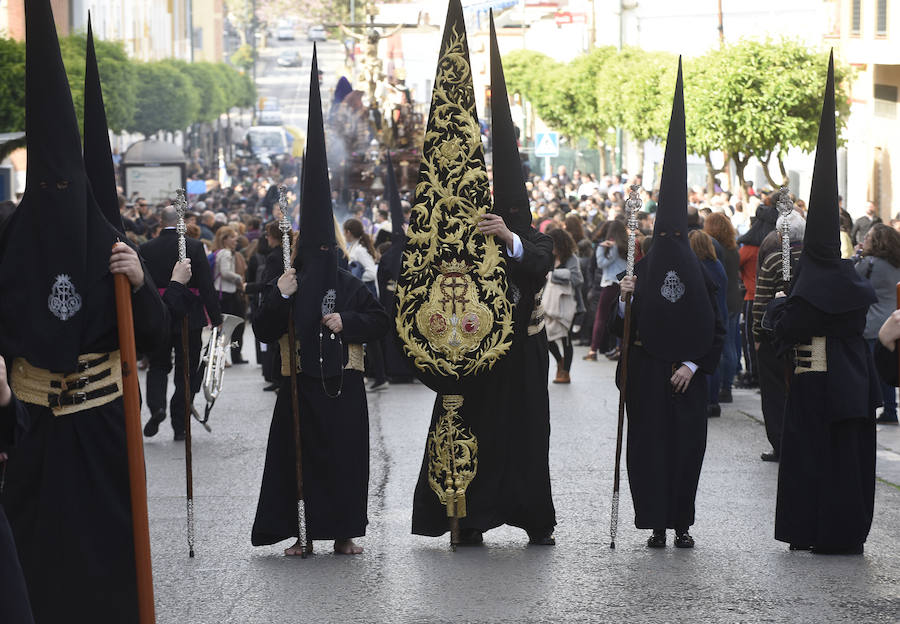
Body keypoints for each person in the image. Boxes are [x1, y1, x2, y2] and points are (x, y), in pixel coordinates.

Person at [410, 8, 556, 546]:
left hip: (523, 358)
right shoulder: (472, 243)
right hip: (479, 351)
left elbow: (537, 263)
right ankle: (466, 519)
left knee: (526, 441)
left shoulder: (534, 239)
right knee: (478, 436)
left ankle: (536, 520)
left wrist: (507, 238)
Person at [251, 48, 389, 557]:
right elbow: (264, 329)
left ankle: (345, 533)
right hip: (298, 385)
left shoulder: (350, 281)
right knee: (297, 461)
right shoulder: (287, 277)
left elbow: (379, 319)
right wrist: (280, 294)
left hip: (344, 386)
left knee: (345, 460)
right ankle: (302, 534)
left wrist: (344, 320)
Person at [762, 55, 880, 555]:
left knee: (813, 462)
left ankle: (811, 530)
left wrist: (782, 304)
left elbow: (780, 330)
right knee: (847, 465)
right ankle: (842, 532)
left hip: (814, 388)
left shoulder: (809, 289)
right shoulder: (852, 283)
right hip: (852, 385)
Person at [614, 61, 724, 549]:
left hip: (686, 379)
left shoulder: (704, 276)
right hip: (646, 373)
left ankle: (681, 522)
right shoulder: (641, 269)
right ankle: (654, 522)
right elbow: (627, 325)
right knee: (649, 450)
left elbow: (716, 329)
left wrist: (693, 364)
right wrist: (624, 301)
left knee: (686, 451)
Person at [141, 205, 223, 439]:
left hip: (159, 313)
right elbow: (207, 286)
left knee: (157, 365)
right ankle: (180, 424)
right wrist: (216, 318)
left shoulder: (146, 247)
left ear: (160, 221)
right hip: (189, 314)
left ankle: (157, 408)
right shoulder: (195, 246)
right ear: (183, 223)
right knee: (186, 370)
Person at [752, 211, 805, 461]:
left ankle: (781, 443)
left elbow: (760, 301)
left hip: (775, 337)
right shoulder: (811, 257)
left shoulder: (774, 260)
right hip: (807, 337)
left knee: (774, 394)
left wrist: (757, 335)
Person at [855, 223, 900, 424]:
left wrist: (857, 257)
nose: (865, 240)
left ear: (877, 241)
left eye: (869, 237)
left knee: (870, 370)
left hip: (873, 324)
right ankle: (890, 410)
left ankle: (870, 407)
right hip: (894, 323)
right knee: (889, 369)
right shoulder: (897, 263)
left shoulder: (869, 263)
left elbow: (852, 281)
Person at [735, 202, 777, 389]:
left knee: (750, 339)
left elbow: (736, 265)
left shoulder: (749, 249)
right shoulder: (773, 245)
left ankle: (753, 373)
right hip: (771, 296)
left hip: (752, 297)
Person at [343, 217, 387, 391]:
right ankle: (374, 374)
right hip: (362, 294)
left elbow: (371, 271)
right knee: (369, 338)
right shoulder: (356, 247)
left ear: (348, 232)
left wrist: (356, 281)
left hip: (365, 295)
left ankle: (379, 376)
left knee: (371, 338)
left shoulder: (359, 250)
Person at [688, 230, 728, 418]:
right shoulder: (717, 264)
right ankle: (714, 400)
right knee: (716, 359)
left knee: (708, 357)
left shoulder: (700, 267)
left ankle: (709, 400)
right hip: (722, 311)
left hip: (711, 314)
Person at [703, 213, 741, 402]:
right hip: (735, 298)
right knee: (731, 344)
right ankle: (727, 385)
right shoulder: (732, 248)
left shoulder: (716, 249)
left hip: (724, 300)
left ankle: (724, 387)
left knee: (724, 346)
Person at [584, 220, 627, 361]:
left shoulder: (611, 247)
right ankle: (619, 348)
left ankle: (593, 350)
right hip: (623, 285)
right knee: (621, 317)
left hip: (610, 285)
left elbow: (601, 263)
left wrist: (602, 248)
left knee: (601, 317)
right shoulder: (626, 246)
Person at [543, 228, 582, 383]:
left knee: (566, 339)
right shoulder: (550, 257)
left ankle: (565, 372)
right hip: (549, 304)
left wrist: (554, 275)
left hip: (569, 304)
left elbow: (577, 279)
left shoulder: (571, 258)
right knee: (546, 337)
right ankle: (560, 361)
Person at [212, 226, 247, 364]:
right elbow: (225, 272)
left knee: (223, 326)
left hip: (222, 293)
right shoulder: (226, 253)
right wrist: (239, 278)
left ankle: (220, 356)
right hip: (228, 293)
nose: (236, 240)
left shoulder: (218, 252)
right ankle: (229, 356)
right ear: (225, 239)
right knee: (232, 325)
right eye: (232, 237)